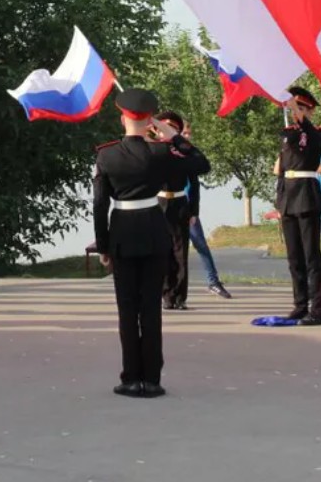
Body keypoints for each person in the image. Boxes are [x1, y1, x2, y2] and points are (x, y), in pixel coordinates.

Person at [93, 88, 198, 398]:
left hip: (123, 234)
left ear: (122, 116)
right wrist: (171, 136)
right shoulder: (162, 152)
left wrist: (103, 245)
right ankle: (152, 379)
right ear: (149, 119)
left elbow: (99, 204)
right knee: (150, 308)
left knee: (127, 309)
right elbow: (199, 164)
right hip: (154, 231)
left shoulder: (107, 154)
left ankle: (130, 377)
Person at [273, 87, 321, 325]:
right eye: (294, 107)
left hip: (306, 194)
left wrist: (296, 110)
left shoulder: (317, 133)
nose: (295, 112)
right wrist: (279, 198)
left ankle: (316, 309)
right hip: (288, 195)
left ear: (310, 110)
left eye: (301, 108)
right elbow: (282, 169)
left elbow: (308, 133)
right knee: (294, 256)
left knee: (311, 256)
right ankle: (299, 304)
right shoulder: (287, 134)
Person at [154, 111, 211, 310]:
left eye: (173, 129)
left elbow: (197, 176)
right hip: (158, 204)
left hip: (179, 204)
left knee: (180, 253)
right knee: (162, 252)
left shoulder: (183, 153)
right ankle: (165, 294)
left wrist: (193, 211)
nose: (166, 133)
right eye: (164, 128)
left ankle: (179, 297)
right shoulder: (152, 151)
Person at [182, 123, 231, 299]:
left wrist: (193, 212)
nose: (187, 136)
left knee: (200, 245)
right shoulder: (166, 154)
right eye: (183, 133)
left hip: (188, 210)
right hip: (167, 209)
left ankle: (213, 282)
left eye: (189, 133)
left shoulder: (191, 156)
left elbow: (203, 170)